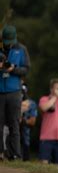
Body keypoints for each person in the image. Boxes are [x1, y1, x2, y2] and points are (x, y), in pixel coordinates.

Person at [0, 25, 30, 161]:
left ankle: (15, 154)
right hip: (0, 91)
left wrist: (14, 69)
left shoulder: (21, 49)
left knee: (14, 123)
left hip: (14, 91)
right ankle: (0, 153)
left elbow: (26, 68)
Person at [20, 83, 37, 161]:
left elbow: (32, 122)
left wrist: (23, 120)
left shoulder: (31, 104)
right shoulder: (8, 100)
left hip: (25, 136)